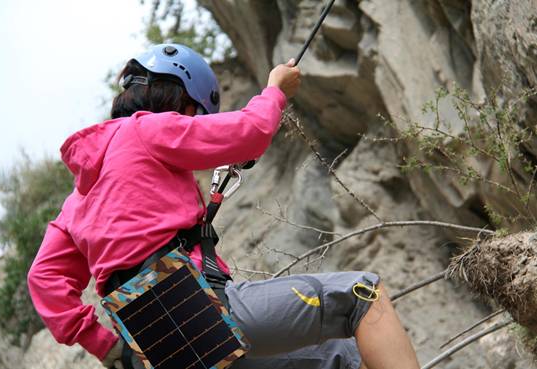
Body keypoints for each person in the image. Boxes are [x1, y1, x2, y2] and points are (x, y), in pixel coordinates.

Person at [27, 43, 420, 369]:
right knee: (362, 294)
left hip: (155, 347)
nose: (195, 123)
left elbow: (44, 279)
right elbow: (250, 132)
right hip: (199, 311)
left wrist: (107, 348)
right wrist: (276, 90)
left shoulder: (77, 201)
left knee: (338, 357)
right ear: (179, 98)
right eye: (196, 113)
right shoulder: (148, 129)